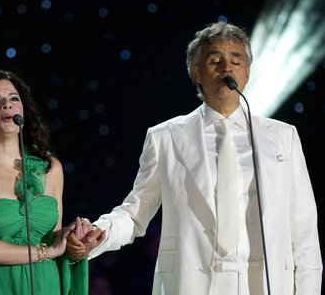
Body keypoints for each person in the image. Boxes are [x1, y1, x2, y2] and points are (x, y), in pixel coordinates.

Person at [67, 22, 322, 294]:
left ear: (247, 72)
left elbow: (304, 230)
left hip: (264, 284)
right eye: (215, 60)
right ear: (196, 72)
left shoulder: (283, 136)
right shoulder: (165, 137)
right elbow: (135, 212)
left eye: (236, 61)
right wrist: (99, 233)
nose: (227, 68)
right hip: (193, 283)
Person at [0, 69, 91, 295]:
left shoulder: (51, 168)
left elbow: (52, 237)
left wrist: (73, 240)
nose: (7, 104)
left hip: (46, 284)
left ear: (24, 110)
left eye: (14, 98)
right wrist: (48, 252)